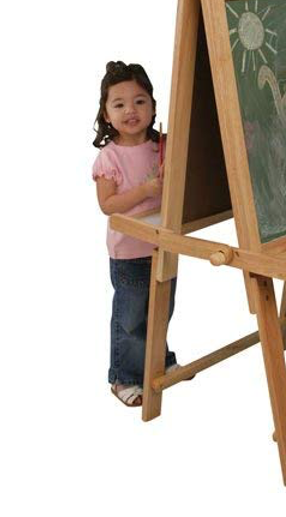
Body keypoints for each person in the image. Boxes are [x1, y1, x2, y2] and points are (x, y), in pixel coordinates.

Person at [92, 61, 178, 407]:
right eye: (120, 104)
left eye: (140, 101)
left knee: (162, 309)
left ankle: (160, 361)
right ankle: (124, 377)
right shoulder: (110, 157)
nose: (131, 110)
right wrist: (145, 190)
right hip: (129, 252)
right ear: (106, 114)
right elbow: (108, 205)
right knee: (130, 320)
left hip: (164, 243)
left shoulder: (163, 146)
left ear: (153, 107)